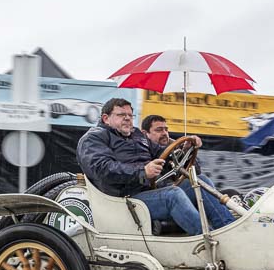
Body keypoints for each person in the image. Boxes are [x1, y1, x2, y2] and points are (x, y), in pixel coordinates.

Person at [77, 98, 233, 235]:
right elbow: (102, 169)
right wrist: (143, 171)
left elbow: (164, 155)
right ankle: (209, 239)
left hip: (148, 191)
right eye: (121, 115)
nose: (127, 119)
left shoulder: (137, 135)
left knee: (199, 181)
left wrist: (184, 150)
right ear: (106, 118)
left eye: (130, 115)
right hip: (122, 199)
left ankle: (230, 230)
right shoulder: (93, 138)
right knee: (173, 195)